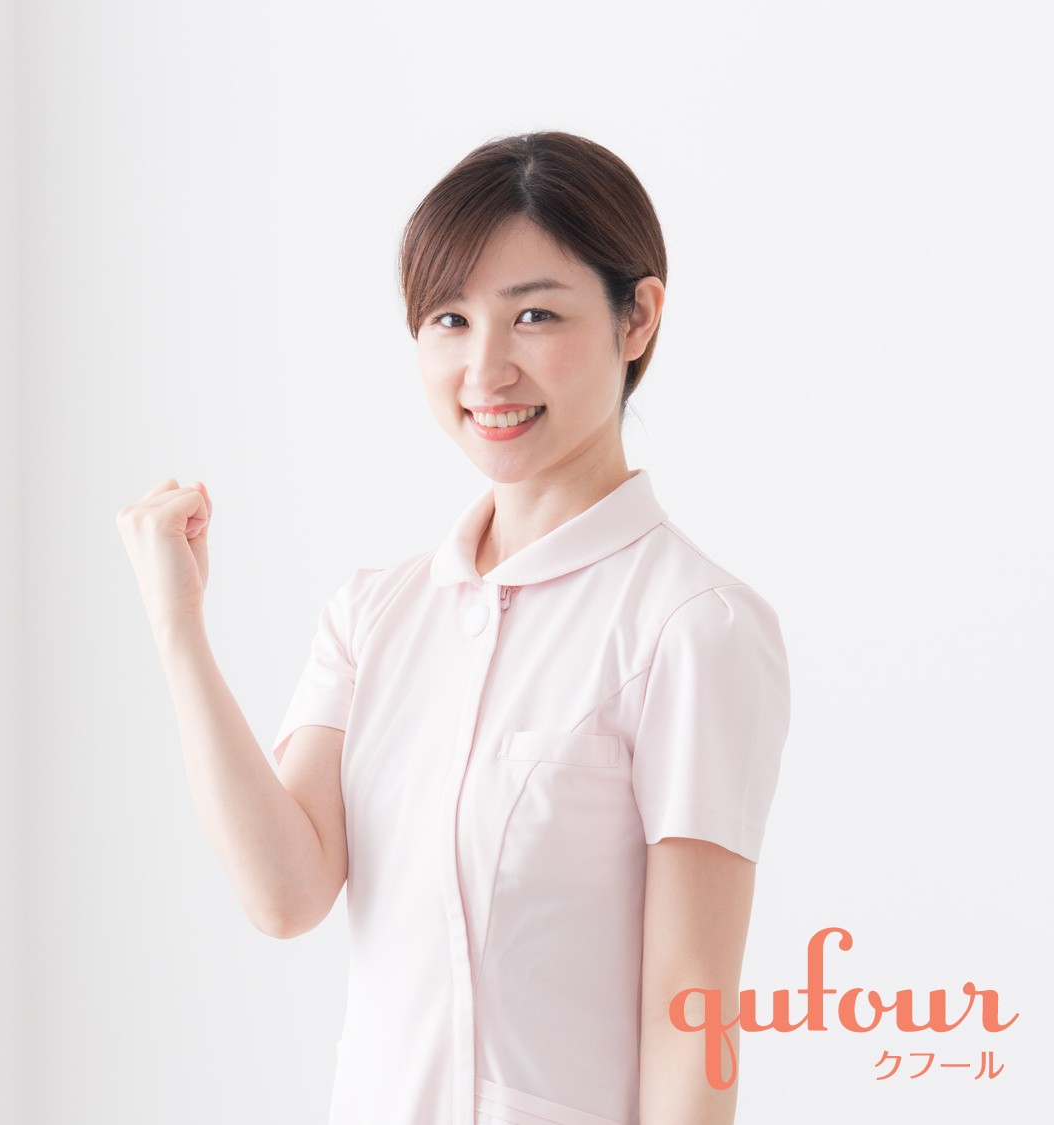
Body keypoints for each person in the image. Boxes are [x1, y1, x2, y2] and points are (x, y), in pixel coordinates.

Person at [116, 130, 790, 1125]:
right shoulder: (374, 613)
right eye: (449, 318)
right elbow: (285, 893)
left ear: (637, 317)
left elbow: (690, 1012)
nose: (485, 368)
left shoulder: (693, 626)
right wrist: (178, 625)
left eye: (534, 315)